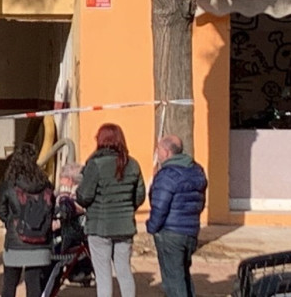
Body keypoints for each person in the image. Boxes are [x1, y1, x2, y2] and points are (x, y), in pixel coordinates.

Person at [76, 123, 145, 297]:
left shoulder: (95, 164)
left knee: (103, 275)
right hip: (125, 227)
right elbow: (140, 196)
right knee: (124, 271)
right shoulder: (133, 164)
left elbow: (84, 197)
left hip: (100, 228)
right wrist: (126, 208)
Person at [146, 135, 207, 297]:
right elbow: (200, 202)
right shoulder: (196, 171)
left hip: (170, 233)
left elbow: (159, 207)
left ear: (166, 152)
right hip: (190, 230)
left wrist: (152, 227)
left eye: (158, 149)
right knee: (183, 275)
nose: (156, 153)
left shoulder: (166, 175)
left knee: (173, 281)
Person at [0, 143, 54, 297]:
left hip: (15, 242)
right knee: (34, 285)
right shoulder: (46, 184)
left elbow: (1, 211)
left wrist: (12, 223)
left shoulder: (9, 184)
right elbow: (50, 210)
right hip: (40, 242)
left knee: (9, 284)